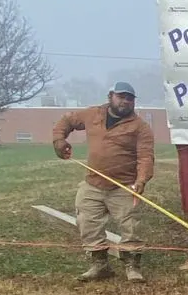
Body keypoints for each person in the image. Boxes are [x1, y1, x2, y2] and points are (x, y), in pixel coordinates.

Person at [52, 82, 155, 283]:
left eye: (130, 98)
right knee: (87, 222)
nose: (125, 101)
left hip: (125, 185)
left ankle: (132, 266)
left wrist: (141, 180)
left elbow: (146, 157)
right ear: (111, 96)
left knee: (131, 226)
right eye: (121, 96)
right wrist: (59, 141)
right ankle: (100, 265)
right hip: (92, 183)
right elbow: (66, 121)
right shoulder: (93, 114)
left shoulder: (140, 127)